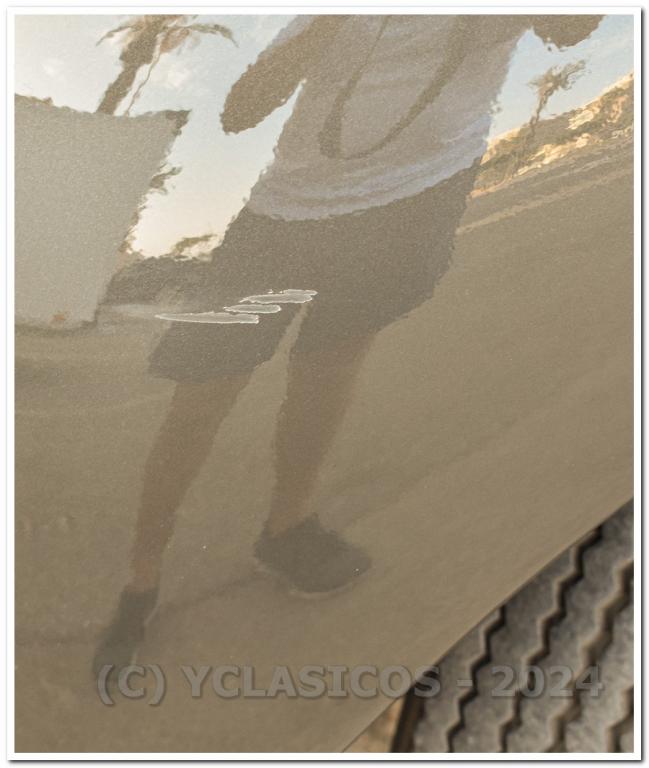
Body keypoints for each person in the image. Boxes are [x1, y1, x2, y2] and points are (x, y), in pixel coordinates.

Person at [93, 14, 602, 675]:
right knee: (202, 394)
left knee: (328, 368)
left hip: (410, 203)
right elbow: (241, 112)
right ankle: (140, 577)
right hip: (281, 214)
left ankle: (287, 527)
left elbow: (571, 24)